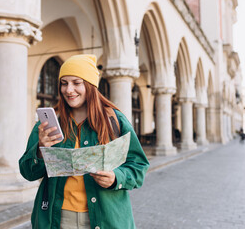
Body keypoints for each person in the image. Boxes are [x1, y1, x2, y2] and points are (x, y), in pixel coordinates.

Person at [19, 54, 150, 229]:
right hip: (58, 220)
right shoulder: (48, 123)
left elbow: (139, 165)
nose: (68, 90)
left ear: (90, 85)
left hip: (106, 220)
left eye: (76, 82)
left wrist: (116, 177)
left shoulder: (115, 120)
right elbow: (28, 172)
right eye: (64, 83)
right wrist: (40, 149)